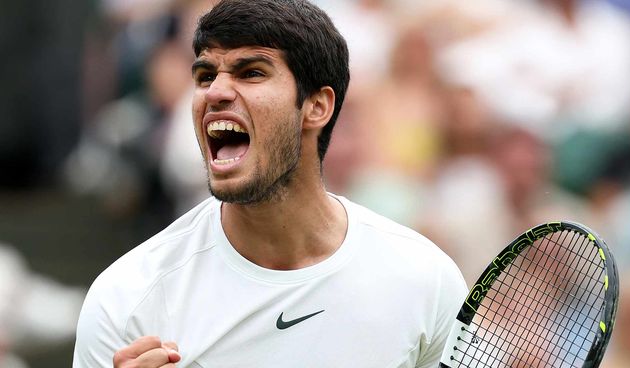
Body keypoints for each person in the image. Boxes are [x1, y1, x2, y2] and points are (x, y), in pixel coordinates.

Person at [72, 0, 467, 367]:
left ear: (317, 106)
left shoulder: (424, 278)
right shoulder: (125, 301)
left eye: (251, 73)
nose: (216, 92)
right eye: (205, 75)